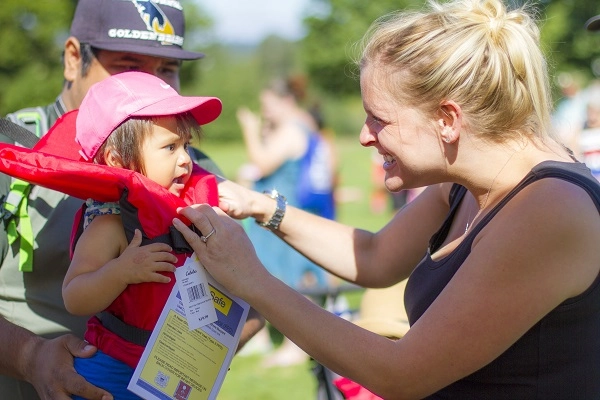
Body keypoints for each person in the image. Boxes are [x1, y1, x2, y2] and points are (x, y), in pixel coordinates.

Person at [172, 0, 600, 398]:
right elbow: (375, 257)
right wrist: (263, 207)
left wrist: (251, 280)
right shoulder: (462, 185)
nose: (363, 136)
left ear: (447, 120)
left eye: (379, 119)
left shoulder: (547, 209)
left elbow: (403, 373)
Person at [0, 1, 263, 399]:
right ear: (74, 59)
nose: (151, 85)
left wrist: (192, 359)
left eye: (168, 69)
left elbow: (251, 298)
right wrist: (30, 357)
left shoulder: (190, 170)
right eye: (129, 66)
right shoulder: (13, 150)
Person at [56, 71, 220, 399]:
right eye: (170, 147)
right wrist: (121, 271)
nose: (187, 159)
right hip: (114, 376)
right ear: (116, 161)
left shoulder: (182, 214)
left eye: (186, 145)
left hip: (175, 369)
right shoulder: (111, 225)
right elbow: (73, 296)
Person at [236, 76, 336, 366]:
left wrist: (250, 131)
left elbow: (262, 161)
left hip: (282, 210)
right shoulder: (303, 123)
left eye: (268, 105)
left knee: (290, 275)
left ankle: (297, 346)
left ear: (286, 101)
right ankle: (266, 337)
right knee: (272, 270)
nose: (264, 111)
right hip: (286, 207)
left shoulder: (292, 128)